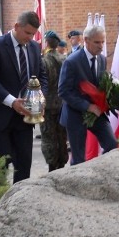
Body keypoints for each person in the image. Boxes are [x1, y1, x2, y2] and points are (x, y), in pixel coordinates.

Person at [0, 11, 45, 183]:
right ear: (17, 26)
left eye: (33, 34)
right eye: (28, 33)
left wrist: (40, 96)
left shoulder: (33, 47)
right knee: (1, 164)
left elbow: (41, 75)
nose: (30, 37)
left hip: (25, 117)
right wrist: (11, 101)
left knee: (24, 164)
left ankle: (20, 203)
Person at [58, 24, 118, 165]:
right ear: (86, 40)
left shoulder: (102, 59)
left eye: (103, 42)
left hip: (96, 113)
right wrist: (87, 106)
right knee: (78, 158)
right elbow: (63, 91)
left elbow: (100, 85)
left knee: (112, 144)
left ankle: (98, 171)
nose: (101, 46)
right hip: (75, 113)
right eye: (97, 42)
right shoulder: (71, 62)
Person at [40, 30, 69, 171]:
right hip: (62, 103)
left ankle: (52, 164)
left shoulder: (43, 60)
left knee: (48, 136)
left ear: (47, 42)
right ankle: (62, 163)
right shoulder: (65, 59)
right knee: (62, 135)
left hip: (48, 105)